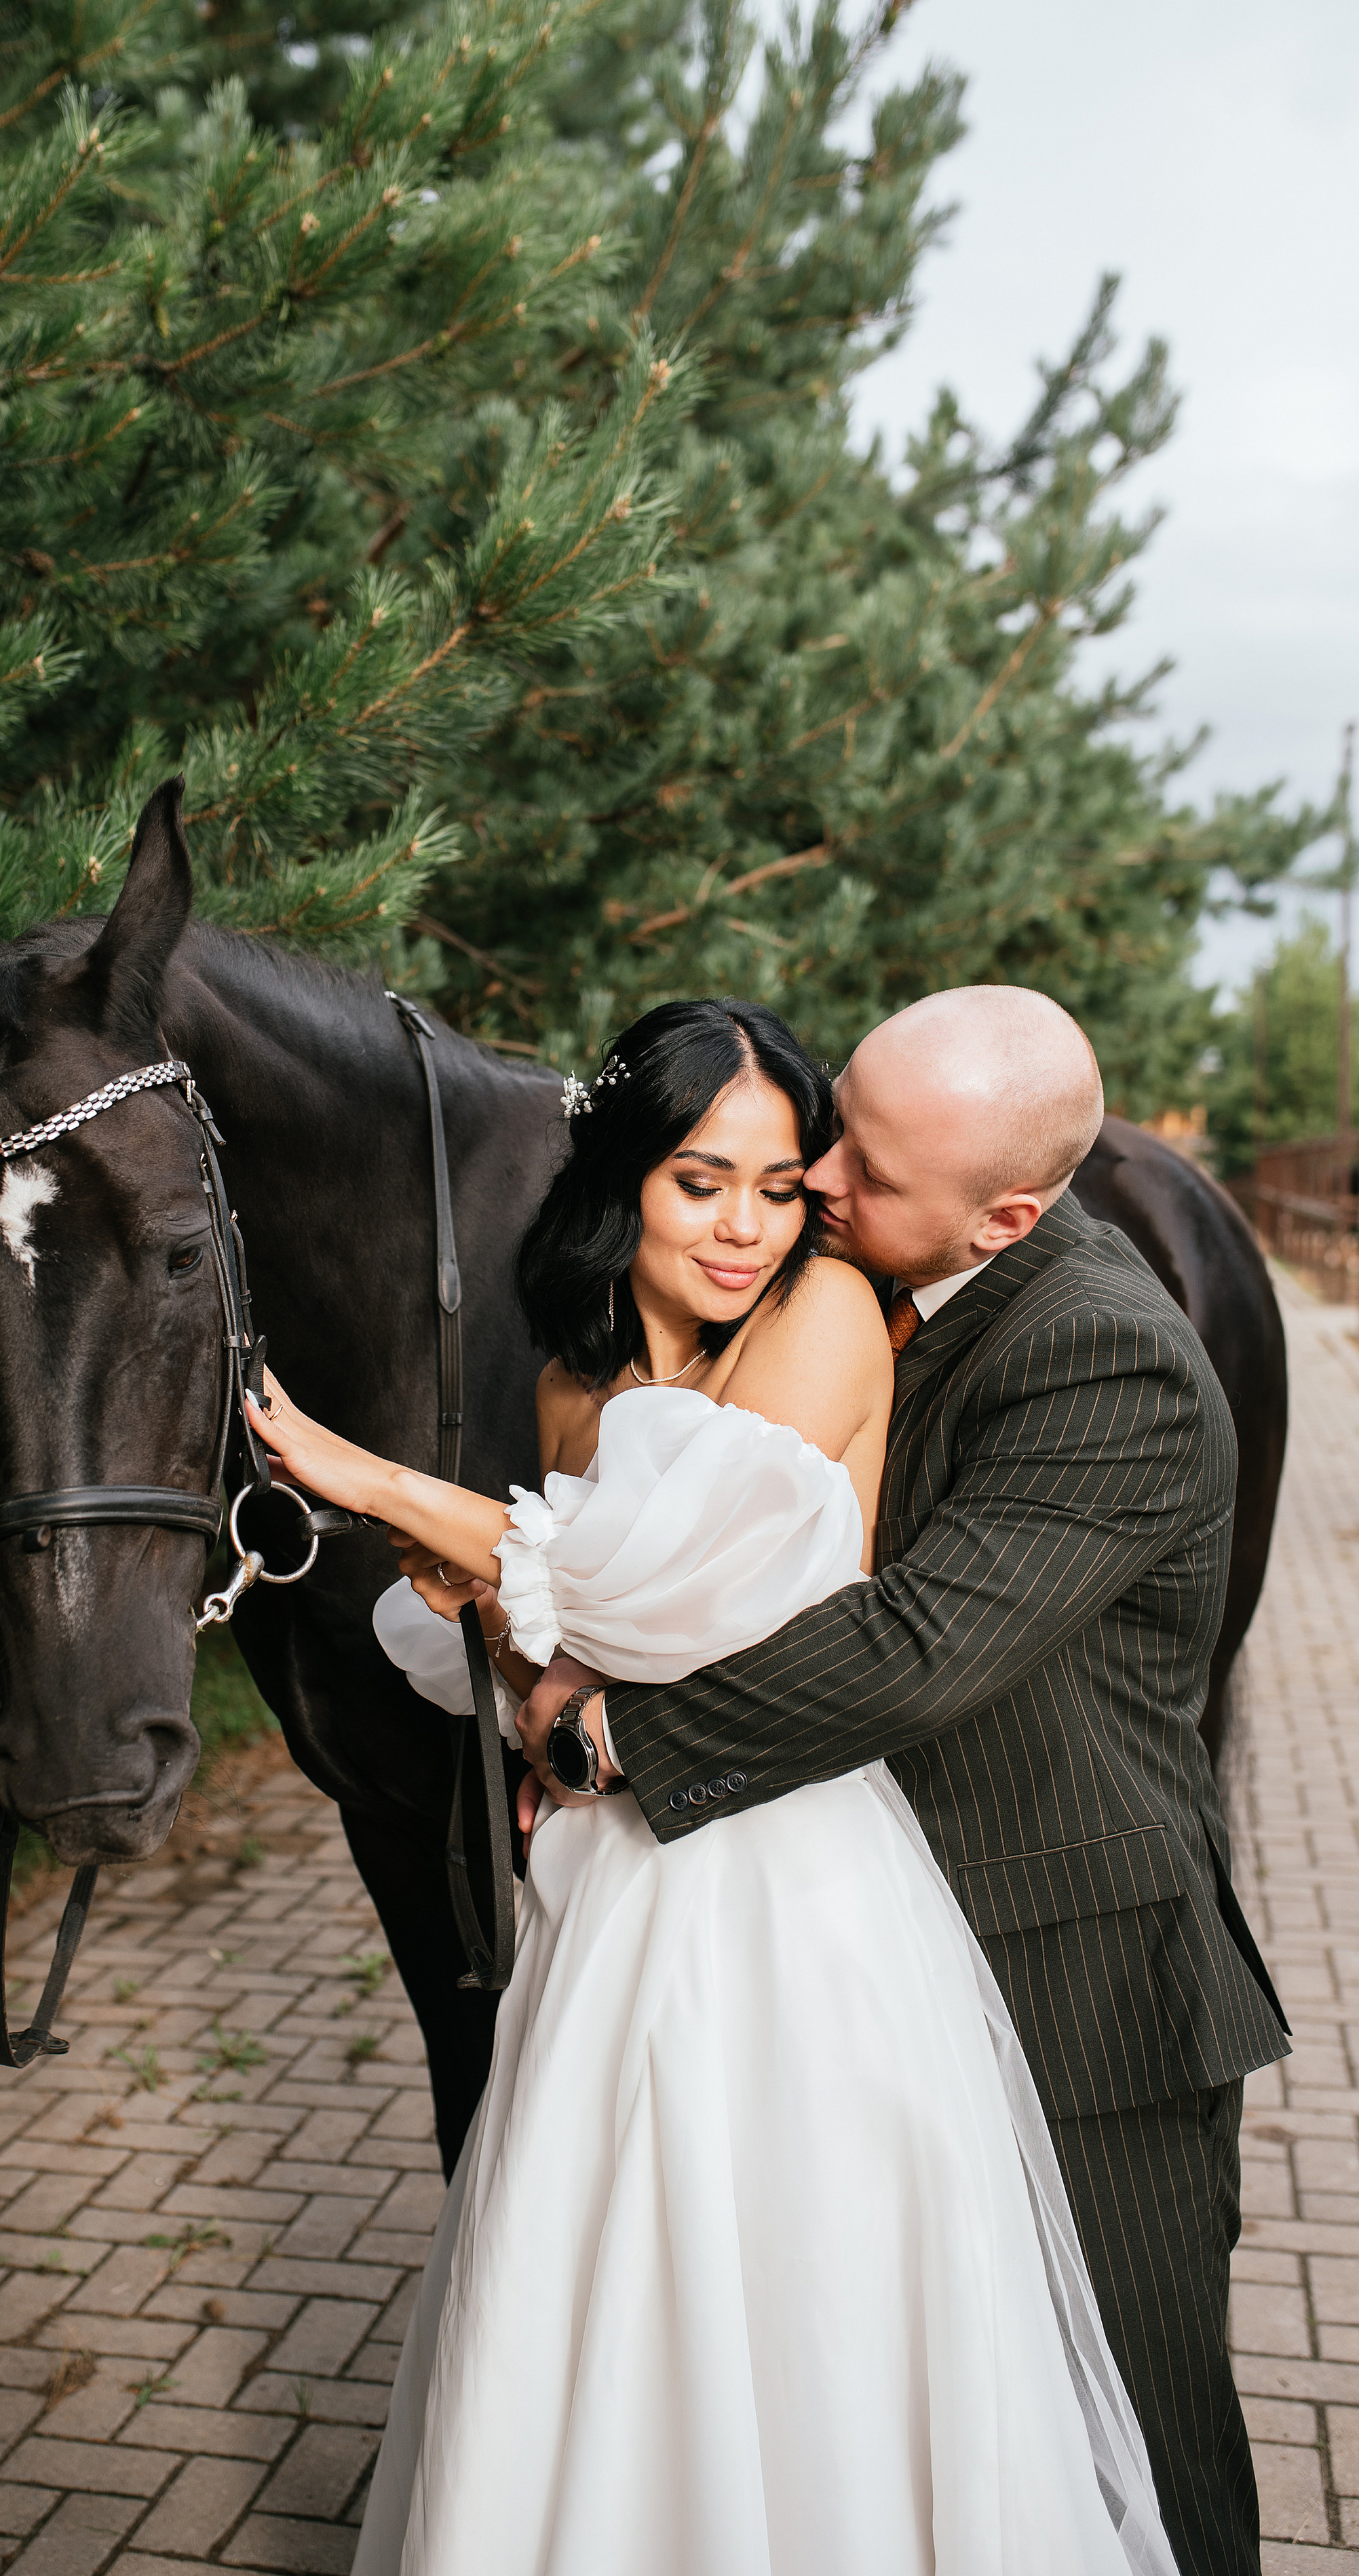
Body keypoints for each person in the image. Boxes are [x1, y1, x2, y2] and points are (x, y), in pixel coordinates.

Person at [246, 995, 1186, 2576]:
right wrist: (489, 1611)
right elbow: (537, 1645)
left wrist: (381, 1483)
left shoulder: (820, 1319)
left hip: (788, 1898)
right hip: (610, 1904)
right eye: (701, 1182)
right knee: (591, 2292)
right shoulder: (567, 1382)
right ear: (623, 1182)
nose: (753, 1223)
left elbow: (643, 1586)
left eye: (776, 1179)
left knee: (807, 2310)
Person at [516, 984, 1291, 2576]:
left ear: (1003, 1214)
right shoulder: (841, 1285)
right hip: (863, 1982)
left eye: (857, 1166)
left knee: (1133, 2459)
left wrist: (611, 1741)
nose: (812, 1179)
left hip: (1069, 1989)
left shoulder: (1104, 1361)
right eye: (832, 1126)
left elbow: (912, 1643)